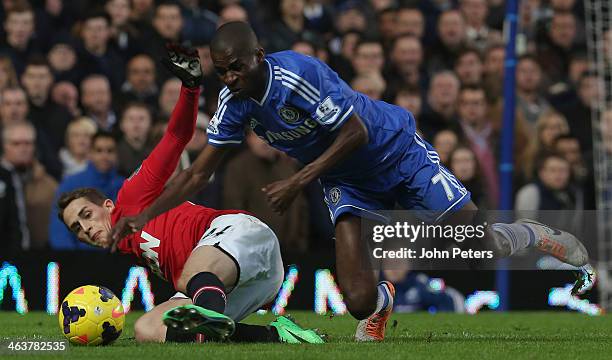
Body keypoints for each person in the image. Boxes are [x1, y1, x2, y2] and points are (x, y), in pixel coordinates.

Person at [110, 22, 594, 342]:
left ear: (258, 55)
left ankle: (534, 234)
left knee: (480, 248)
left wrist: (298, 179)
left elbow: (354, 132)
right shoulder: (234, 105)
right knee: (357, 302)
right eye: (223, 72)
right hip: (346, 180)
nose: (231, 78)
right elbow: (199, 171)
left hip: (396, 153)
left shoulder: (296, 73)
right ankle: (382, 304)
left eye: (237, 67)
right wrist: (145, 214)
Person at [57, 45, 323, 344]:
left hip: (238, 236)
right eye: (77, 229)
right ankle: (278, 335)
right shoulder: (131, 247)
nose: (86, 229)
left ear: (107, 205)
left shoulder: (131, 196)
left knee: (189, 276)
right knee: (148, 329)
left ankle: (206, 314)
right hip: (243, 283)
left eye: (86, 215)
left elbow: (175, 137)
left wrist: (191, 88)